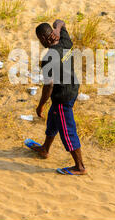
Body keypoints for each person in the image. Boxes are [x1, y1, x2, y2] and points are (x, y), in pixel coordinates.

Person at [25, 19, 86, 175]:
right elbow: (60, 21)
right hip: (73, 88)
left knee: (67, 130)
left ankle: (79, 167)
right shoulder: (64, 40)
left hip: (63, 97)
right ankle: (45, 149)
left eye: (40, 39)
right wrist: (58, 29)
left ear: (43, 39)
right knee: (53, 118)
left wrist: (40, 105)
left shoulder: (48, 59)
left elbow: (49, 86)